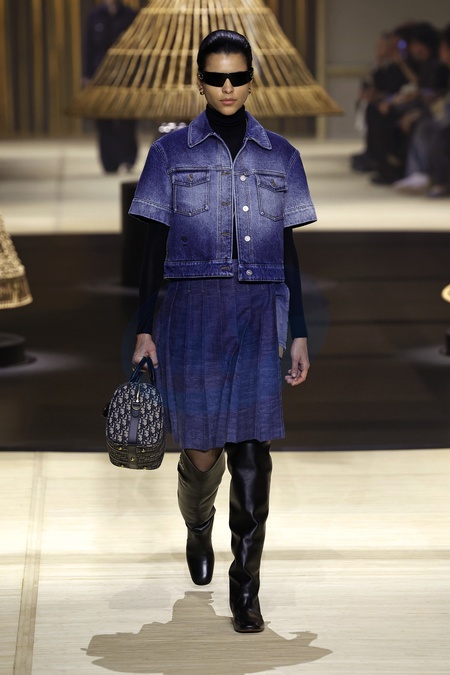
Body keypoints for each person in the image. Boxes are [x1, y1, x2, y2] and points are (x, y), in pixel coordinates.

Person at [129, 30, 316, 633]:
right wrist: (144, 329)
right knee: (202, 450)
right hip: (191, 312)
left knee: (254, 452)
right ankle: (198, 523)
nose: (227, 87)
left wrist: (298, 330)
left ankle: (246, 589)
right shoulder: (168, 154)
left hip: (259, 311)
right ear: (200, 81)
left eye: (237, 77)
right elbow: (152, 248)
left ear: (251, 80)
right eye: (216, 78)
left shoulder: (281, 155)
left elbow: (288, 251)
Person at [83, 0, 138, 173]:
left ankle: (128, 158)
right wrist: (86, 75)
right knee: (103, 119)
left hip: (125, 75)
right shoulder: (95, 16)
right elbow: (88, 48)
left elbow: (138, 47)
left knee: (126, 118)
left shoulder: (129, 15)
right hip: (100, 75)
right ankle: (109, 162)